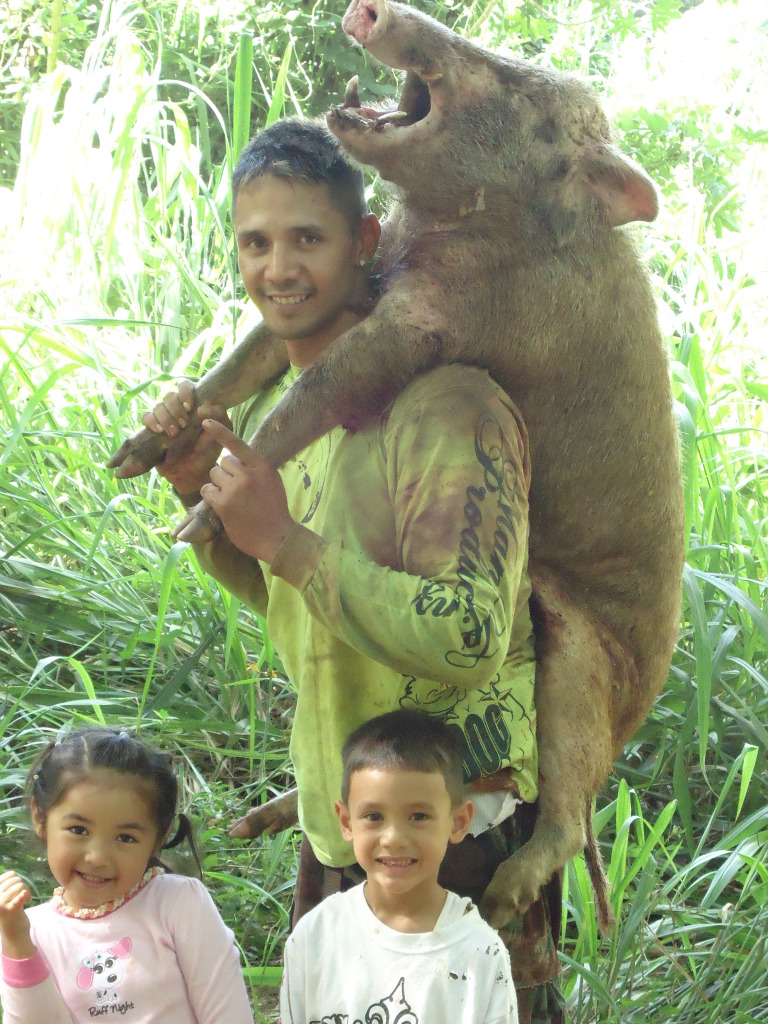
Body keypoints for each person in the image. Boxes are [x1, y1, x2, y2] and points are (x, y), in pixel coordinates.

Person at [144, 116, 564, 1024]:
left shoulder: (449, 407)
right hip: (344, 824)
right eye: (256, 243)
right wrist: (233, 530)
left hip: (457, 835)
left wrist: (287, 540)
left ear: (365, 241)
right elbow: (301, 601)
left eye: (307, 238)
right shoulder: (290, 418)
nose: (280, 270)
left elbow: (470, 638)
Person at [0, 726, 254, 1024]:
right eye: (78, 830)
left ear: (158, 837)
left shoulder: (178, 904)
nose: (97, 856)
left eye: (125, 838)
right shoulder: (31, 930)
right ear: (39, 817)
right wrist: (16, 943)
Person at [280, 708, 518, 1024]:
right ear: (347, 822)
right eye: (374, 817)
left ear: (458, 822)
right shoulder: (315, 936)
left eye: (418, 817)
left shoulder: (480, 954)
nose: (393, 838)